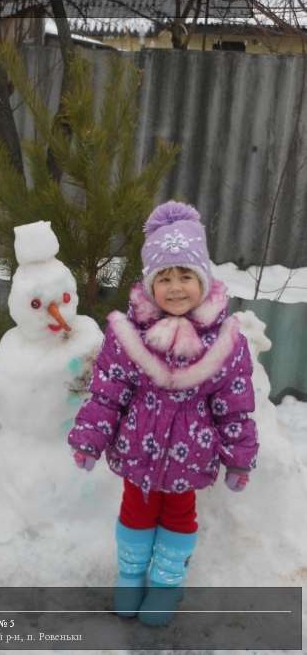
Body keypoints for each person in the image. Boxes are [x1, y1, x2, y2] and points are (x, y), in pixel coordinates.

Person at [67, 201, 259, 626]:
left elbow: (236, 406)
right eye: (164, 278)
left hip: (190, 456)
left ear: (204, 280)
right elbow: (107, 393)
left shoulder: (225, 342)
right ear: (150, 284)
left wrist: (239, 458)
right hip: (138, 450)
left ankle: (165, 585)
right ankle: (131, 576)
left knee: (178, 515)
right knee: (135, 510)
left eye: (185, 276)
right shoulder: (129, 338)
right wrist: (88, 441)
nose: (175, 288)